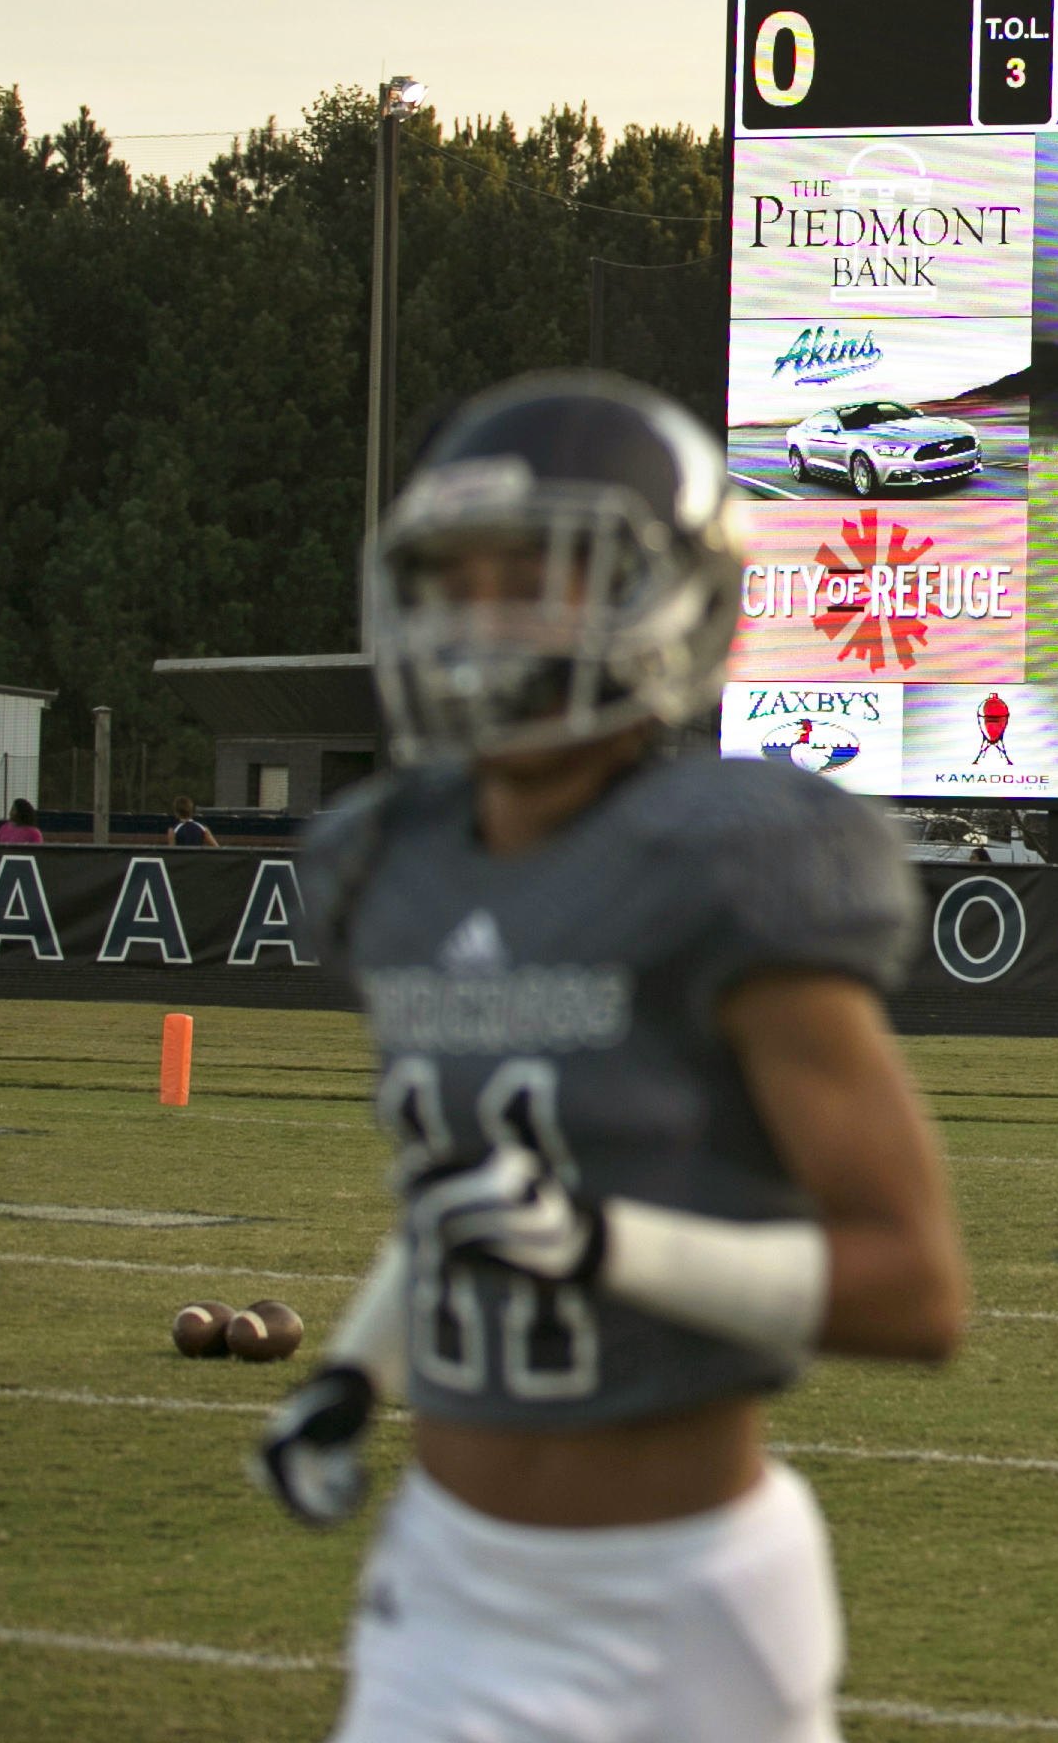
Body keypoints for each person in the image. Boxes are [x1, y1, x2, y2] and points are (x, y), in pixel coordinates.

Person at [247, 371, 970, 1743]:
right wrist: (351, 1375)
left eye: (537, 579)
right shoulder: (391, 863)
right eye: (457, 583)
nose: (482, 622)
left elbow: (916, 1293)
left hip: (684, 1598)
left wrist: (605, 1247)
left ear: (665, 599)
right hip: (446, 1575)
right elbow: (473, 1190)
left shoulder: (732, 861)